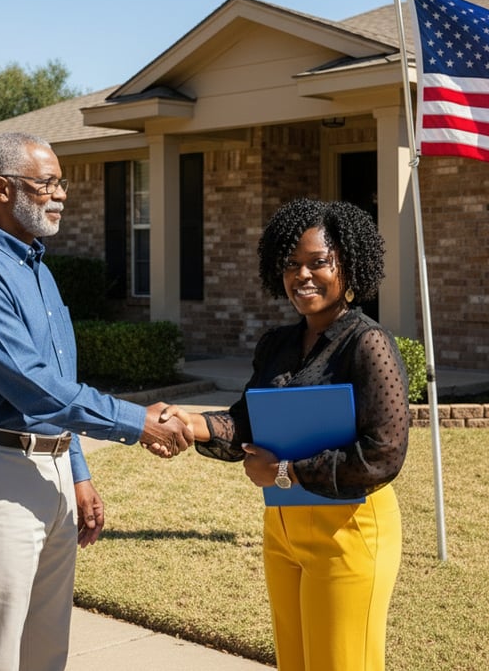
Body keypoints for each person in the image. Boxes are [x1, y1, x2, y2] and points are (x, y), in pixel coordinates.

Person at [0, 131, 194, 671]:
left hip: (48, 468)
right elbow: (33, 386)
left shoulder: (38, 271)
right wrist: (135, 422)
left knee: (46, 652)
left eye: (60, 182)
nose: (60, 194)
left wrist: (76, 471)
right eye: (46, 182)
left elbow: (58, 384)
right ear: (2, 189)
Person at [163, 197, 410, 671]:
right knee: (294, 663)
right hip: (283, 530)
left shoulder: (368, 343)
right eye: (292, 265)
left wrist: (284, 472)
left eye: (319, 263)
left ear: (349, 266)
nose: (303, 276)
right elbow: (246, 422)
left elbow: (384, 454)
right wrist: (189, 425)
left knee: (342, 664)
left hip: (350, 529)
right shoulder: (276, 344)